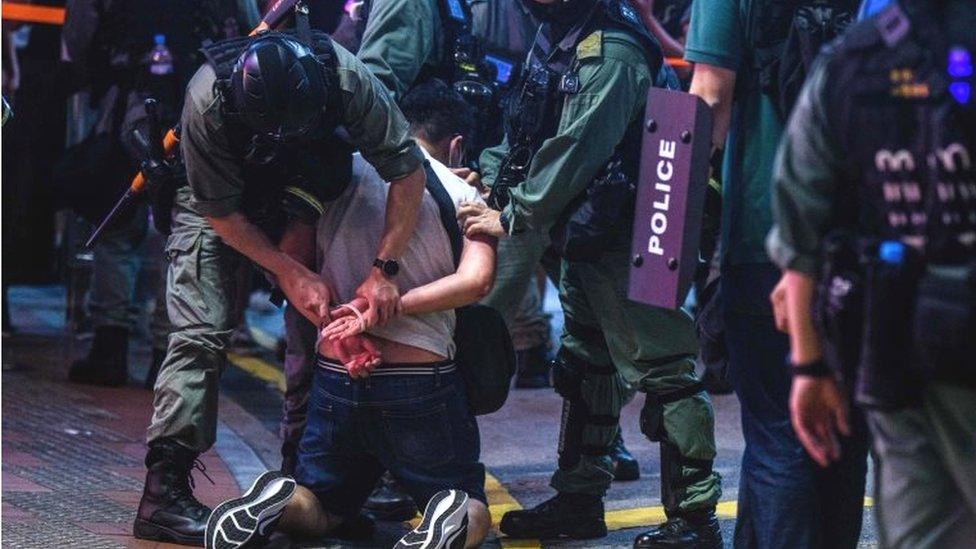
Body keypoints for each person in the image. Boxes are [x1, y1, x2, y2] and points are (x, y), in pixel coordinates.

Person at [134, 22, 428, 545]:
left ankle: (308, 490)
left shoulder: (345, 78)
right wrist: (287, 271)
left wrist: (384, 270)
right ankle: (163, 495)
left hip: (307, 191)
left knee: (323, 328)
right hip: (217, 203)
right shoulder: (207, 100)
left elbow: (406, 171)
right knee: (200, 334)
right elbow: (222, 216)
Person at [459, 0, 722, 545]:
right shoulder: (560, 35)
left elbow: (578, 147)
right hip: (585, 233)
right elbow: (528, 121)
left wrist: (514, 212)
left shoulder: (613, 51)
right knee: (587, 365)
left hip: (630, 238)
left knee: (666, 372)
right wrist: (493, 178)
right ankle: (579, 498)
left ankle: (695, 520)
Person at [205, 79, 495, 549]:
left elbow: (292, 263)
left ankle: (276, 501)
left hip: (337, 372)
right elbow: (476, 281)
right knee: (466, 498)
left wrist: (340, 323)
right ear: (456, 144)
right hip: (421, 379)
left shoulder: (335, 175)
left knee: (323, 506)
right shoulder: (463, 194)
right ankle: (451, 513)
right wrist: (389, 305)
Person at [766, 1, 976, 547]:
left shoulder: (850, 61)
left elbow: (800, 241)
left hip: (896, 345)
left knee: (920, 532)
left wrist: (809, 366)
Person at [683, 0, 870, 546]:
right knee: (843, 432)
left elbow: (708, 98)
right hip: (865, 235)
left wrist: (664, 236)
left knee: (777, 433)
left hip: (766, 233)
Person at [60, 0, 246, 387]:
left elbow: (79, 36)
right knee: (183, 232)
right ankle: (166, 354)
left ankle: (109, 346)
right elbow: (244, 36)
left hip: (127, 101)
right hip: (199, 105)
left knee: (116, 227)